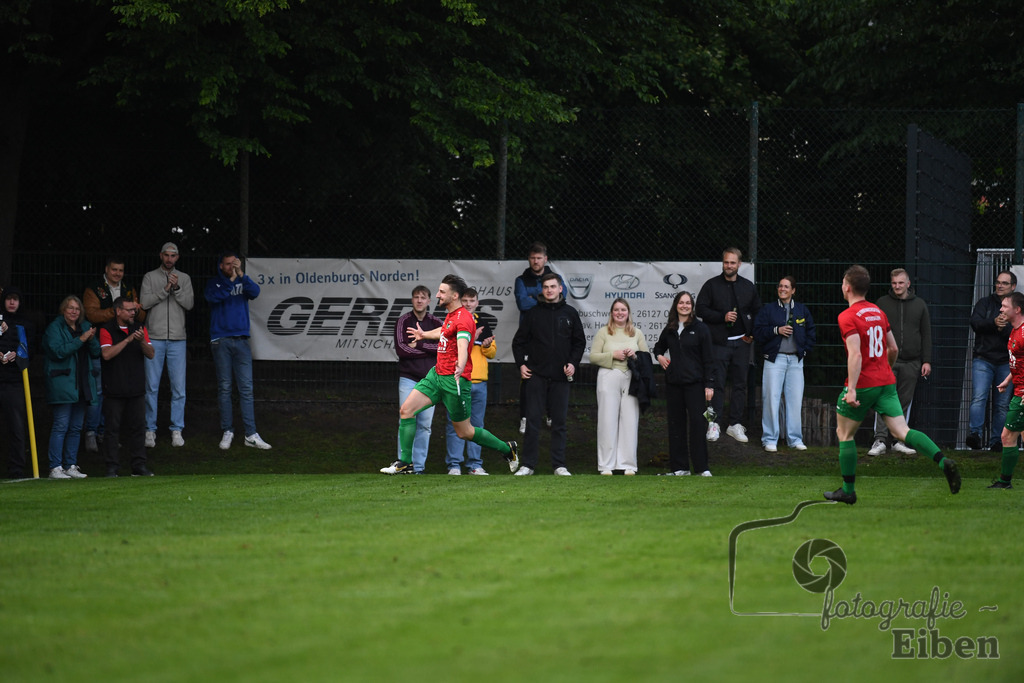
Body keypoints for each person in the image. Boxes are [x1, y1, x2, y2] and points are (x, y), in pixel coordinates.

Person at [824, 265, 959, 504]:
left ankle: (848, 490)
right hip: (886, 381)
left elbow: (854, 355)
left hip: (864, 383)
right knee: (902, 431)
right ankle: (941, 460)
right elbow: (893, 348)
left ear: (847, 287)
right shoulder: (877, 311)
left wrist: (852, 389)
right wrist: (886, 369)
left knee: (844, 434)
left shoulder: (847, 316)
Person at [380, 274, 519, 475]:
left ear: (454, 296)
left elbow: (463, 345)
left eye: (442, 292)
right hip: (436, 376)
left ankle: (508, 449)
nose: (437, 295)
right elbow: (444, 331)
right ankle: (406, 463)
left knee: (465, 432)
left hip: (455, 381)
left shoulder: (464, 318)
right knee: (406, 411)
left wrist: (461, 366)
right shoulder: (452, 315)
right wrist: (423, 335)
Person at [512, 272, 586, 476]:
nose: (549, 290)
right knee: (533, 421)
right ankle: (528, 465)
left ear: (560, 288)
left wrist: (572, 363)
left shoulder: (570, 313)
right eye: (546, 287)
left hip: (561, 378)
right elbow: (518, 342)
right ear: (542, 290)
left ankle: (559, 465)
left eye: (553, 286)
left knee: (560, 422)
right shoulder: (533, 314)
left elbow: (579, 342)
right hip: (536, 376)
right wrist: (521, 365)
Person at [205, 251, 272, 450]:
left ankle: (250, 434)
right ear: (220, 265)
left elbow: (255, 292)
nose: (231, 268)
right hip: (221, 339)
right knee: (225, 387)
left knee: (246, 388)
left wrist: (241, 275)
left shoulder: (242, 280)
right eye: (228, 264)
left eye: (233, 264)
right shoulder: (214, 284)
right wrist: (232, 280)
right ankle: (228, 431)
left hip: (241, 340)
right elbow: (216, 298)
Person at [696, 247, 761, 444]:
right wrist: (721, 317)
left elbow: (758, 312)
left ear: (739, 264)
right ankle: (713, 424)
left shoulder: (748, 286)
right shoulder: (711, 285)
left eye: (733, 262)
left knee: (740, 384)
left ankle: (735, 424)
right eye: (726, 262)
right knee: (716, 385)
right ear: (722, 263)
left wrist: (750, 334)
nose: (729, 266)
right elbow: (700, 309)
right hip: (718, 344)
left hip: (742, 344)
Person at [82, 256, 145, 453]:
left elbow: (140, 315)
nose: (117, 273)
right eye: (114, 270)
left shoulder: (128, 288)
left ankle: (105, 433)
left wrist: (134, 311)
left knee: (114, 391)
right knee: (98, 392)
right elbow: (91, 314)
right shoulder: (94, 288)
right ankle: (91, 432)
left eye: (121, 270)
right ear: (106, 269)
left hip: (125, 349)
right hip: (99, 343)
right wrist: (118, 311)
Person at [867, 268, 931, 456]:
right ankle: (879, 439)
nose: (897, 286)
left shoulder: (920, 305)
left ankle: (898, 440)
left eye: (901, 283)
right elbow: (874, 332)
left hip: (912, 362)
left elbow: (926, 334)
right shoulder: (882, 303)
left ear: (908, 284)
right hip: (886, 361)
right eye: (894, 283)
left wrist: (926, 360)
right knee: (883, 400)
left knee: (904, 401)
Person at [653, 291, 715, 476]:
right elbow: (658, 346)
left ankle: (702, 468)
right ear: (676, 305)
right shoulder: (671, 328)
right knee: (675, 425)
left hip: (695, 385)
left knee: (697, 425)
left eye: (688, 303)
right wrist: (660, 357)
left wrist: (709, 384)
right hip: (674, 384)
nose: (685, 306)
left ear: (692, 306)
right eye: (681, 302)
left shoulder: (701, 328)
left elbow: (709, 359)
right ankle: (680, 468)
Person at [140, 242, 194, 448]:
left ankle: (177, 429)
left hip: (178, 339)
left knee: (179, 388)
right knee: (151, 386)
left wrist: (177, 288)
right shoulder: (149, 277)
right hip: (154, 336)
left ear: (177, 258)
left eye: (173, 256)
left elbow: (189, 304)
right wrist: (165, 290)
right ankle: (149, 430)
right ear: (161, 256)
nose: (170, 259)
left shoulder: (185, 278)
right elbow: (144, 304)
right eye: (166, 255)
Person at [753, 276, 816, 452]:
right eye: (780, 286)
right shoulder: (769, 309)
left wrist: (804, 351)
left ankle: (795, 439)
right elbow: (757, 332)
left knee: (795, 400)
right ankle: (769, 439)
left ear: (793, 290)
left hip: (796, 360)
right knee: (771, 399)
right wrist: (776, 330)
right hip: (775, 359)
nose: (782, 289)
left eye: (786, 287)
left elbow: (811, 333)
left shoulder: (802, 310)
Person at [42, 295, 101, 479]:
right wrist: (82, 339)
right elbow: (58, 351)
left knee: (76, 427)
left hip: (82, 383)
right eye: (70, 308)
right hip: (63, 383)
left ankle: (70, 465)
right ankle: (55, 467)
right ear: (63, 310)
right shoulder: (54, 328)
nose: (74, 311)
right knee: (61, 425)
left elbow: (97, 352)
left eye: (77, 308)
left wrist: (90, 339)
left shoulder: (85, 326)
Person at [589, 298, 650, 475]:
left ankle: (628, 464)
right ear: (611, 313)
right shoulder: (603, 332)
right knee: (607, 420)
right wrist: (612, 355)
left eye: (623, 310)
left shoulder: (636, 333)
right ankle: (606, 465)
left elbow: (646, 357)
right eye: (616, 310)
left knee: (630, 420)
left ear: (628, 312)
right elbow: (593, 357)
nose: (620, 313)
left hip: (631, 377)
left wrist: (635, 356)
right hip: (608, 375)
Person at [513, 242, 567, 434]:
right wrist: (542, 298)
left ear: (545, 259)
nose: (536, 261)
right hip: (529, 338)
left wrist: (533, 297)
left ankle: (551, 415)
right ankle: (525, 418)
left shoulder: (557, 278)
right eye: (532, 258)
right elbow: (522, 303)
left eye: (539, 258)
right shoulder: (521, 280)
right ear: (529, 259)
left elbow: (561, 300)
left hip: (552, 337)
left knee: (554, 377)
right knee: (528, 377)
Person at [100, 297, 156, 477]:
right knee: (112, 430)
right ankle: (112, 467)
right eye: (129, 310)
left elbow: (151, 354)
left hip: (136, 388)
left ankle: (139, 466)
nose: (134, 312)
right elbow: (107, 355)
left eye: (134, 310)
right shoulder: (106, 329)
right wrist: (128, 340)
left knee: (138, 428)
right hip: (114, 388)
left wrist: (140, 341)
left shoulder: (140, 328)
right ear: (118, 311)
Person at [445, 288, 496, 475]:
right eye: (464, 300)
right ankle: (454, 465)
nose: (467, 303)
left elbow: (492, 353)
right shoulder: (452, 321)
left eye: (471, 300)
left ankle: (475, 465)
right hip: (458, 380)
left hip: (479, 382)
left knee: (477, 425)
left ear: (477, 302)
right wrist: (471, 339)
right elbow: (448, 349)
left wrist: (487, 345)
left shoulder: (483, 322)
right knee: (455, 424)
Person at [394, 285, 442, 473]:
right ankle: (404, 464)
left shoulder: (437, 322)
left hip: (431, 380)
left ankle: (419, 467)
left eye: (423, 297)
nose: (420, 300)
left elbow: (443, 349)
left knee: (425, 425)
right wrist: (429, 347)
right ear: (412, 300)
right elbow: (401, 350)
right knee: (406, 418)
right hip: (409, 379)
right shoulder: (403, 321)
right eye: (416, 297)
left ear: (429, 301)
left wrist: (420, 344)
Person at [966, 270, 1016, 451]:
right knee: (979, 397)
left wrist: (1003, 328)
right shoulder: (984, 303)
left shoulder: (1017, 309)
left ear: (1013, 287)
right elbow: (975, 323)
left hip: (1006, 362)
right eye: (998, 282)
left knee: (1002, 404)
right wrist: (994, 322)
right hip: (983, 359)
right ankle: (975, 435)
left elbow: (1018, 334)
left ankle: (997, 440)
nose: (1000, 285)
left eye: (1004, 283)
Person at [989, 291, 1024, 489]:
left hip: (1022, 394)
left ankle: (1004, 482)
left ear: (1017, 309)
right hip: (1018, 389)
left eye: (1005, 306)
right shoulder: (1014, 330)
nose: (1001, 309)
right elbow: (1019, 362)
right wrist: (1007, 380)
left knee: (1007, 436)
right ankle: (1005, 481)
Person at [0, 287, 32, 479]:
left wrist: (17, 355)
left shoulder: (25, 324)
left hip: (15, 382)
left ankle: (16, 468)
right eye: (9, 299)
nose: (12, 302)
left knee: (17, 426)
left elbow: (31, 351)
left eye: (16, 299)